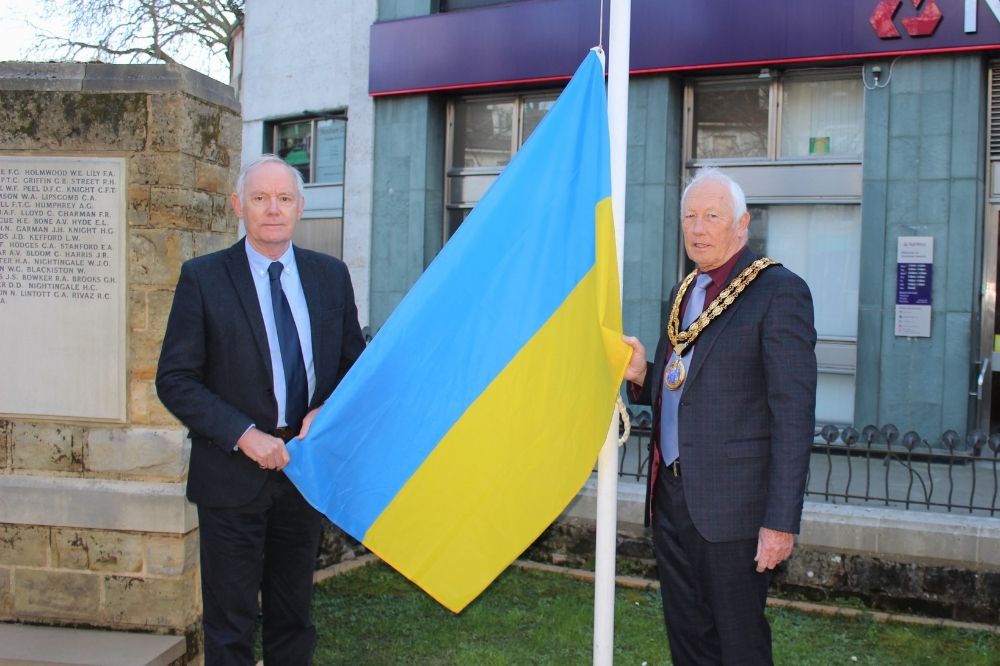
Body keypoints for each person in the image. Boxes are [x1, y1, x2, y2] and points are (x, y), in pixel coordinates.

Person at [156, 154, 366, 665]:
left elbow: (352, 367)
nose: (273, 209)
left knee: (294, 618)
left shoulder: (330, 276)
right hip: (231, 477)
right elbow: (176, 380)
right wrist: (244, 434)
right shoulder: (203, 279)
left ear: (300, 208)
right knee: (230, 626)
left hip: (303, 473)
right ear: (238, 206)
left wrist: (326, 410)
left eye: (284, 198)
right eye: (260, 198)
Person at [623, 167, 817, 665]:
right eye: (690, 216)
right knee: (688, 641)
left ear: (741, 224)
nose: (698, 228)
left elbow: (793, 417)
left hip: (735, 511)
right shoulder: (683, 294)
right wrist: (642, 372)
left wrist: (780, 522)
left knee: (740, 645)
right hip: (671, 499)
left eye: (712, 216)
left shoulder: (778, 291)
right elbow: (679, 389)